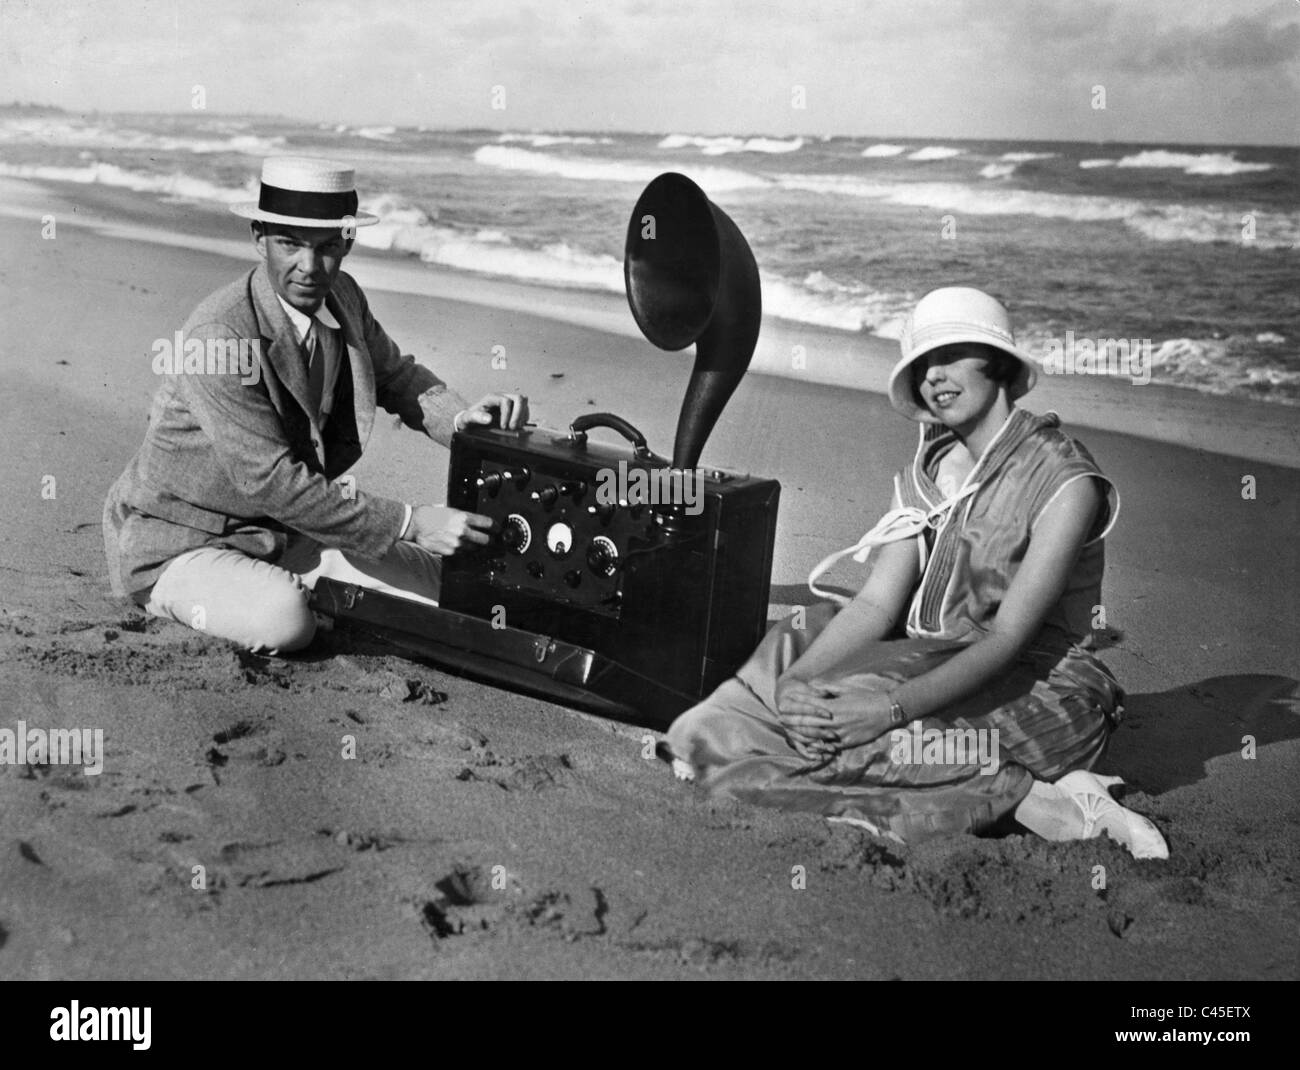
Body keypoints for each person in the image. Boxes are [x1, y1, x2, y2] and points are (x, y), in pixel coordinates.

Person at [667, 287, 1168, 859]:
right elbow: (876, 606)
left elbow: (1008, 639)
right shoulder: (922, 474)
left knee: (878, 737)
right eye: (924, 362)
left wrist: (884, 708)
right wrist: (796, 688)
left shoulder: (1064, 479)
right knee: (787, 653)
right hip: (929, 656)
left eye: (953, 354)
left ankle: (1040, 800)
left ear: (998, 363)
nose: (935, 375)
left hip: (1043, 685)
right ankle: (803, 742)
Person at [103, 157, 528, 654]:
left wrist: (463, 420)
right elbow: (270, 480)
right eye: (290, 243)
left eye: (326, 247)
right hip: (183, 539)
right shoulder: (219, 336)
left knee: (448, 594)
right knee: (286, 621)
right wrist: (411, 523)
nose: (309, 267)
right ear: (259, 237)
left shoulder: (343, 295)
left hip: (291, 531)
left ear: (348, 242)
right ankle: (187, 594)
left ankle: (300, 583)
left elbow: (396, 375)